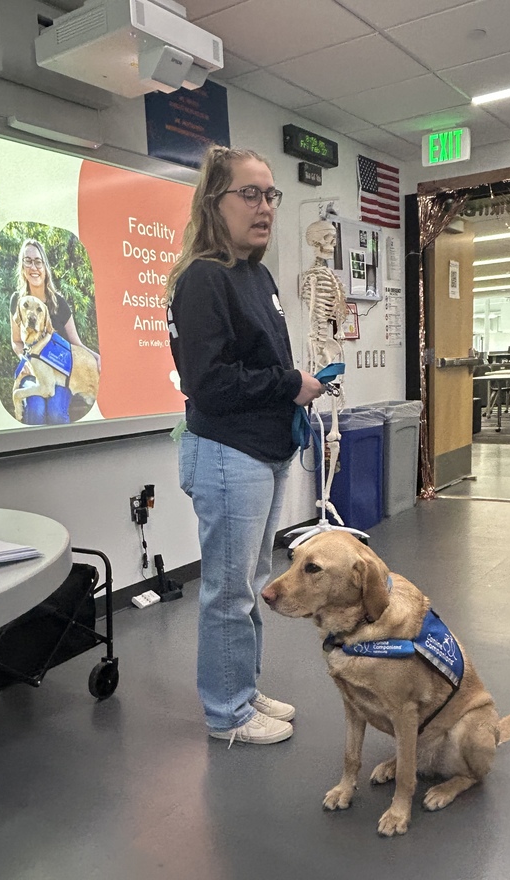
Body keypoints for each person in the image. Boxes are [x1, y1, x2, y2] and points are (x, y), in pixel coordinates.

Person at [165, 144, 325, 745]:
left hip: (264, 451)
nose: (264, 207)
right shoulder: (203, 279)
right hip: (230, 456)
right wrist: (292, 384)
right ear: (215, 201)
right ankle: (226, 713)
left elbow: (256, 364)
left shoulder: (254, 275)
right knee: (228, 591)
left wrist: (292, 386)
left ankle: (243, 687)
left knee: (251, 582)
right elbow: (209, 383)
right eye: (249, 194)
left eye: (270, 195)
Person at [9, 238, 99, 425]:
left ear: (45, 267)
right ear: (22, 266)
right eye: (28, 260)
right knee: (36, 410)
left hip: (61, 371)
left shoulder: (59, 303)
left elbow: (76, 344)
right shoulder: (18, 301)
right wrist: (23, 360)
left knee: (57, 413)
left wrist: (97, 358)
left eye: (38, 261)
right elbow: (17, 341)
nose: (34, 267)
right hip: (33, 369)